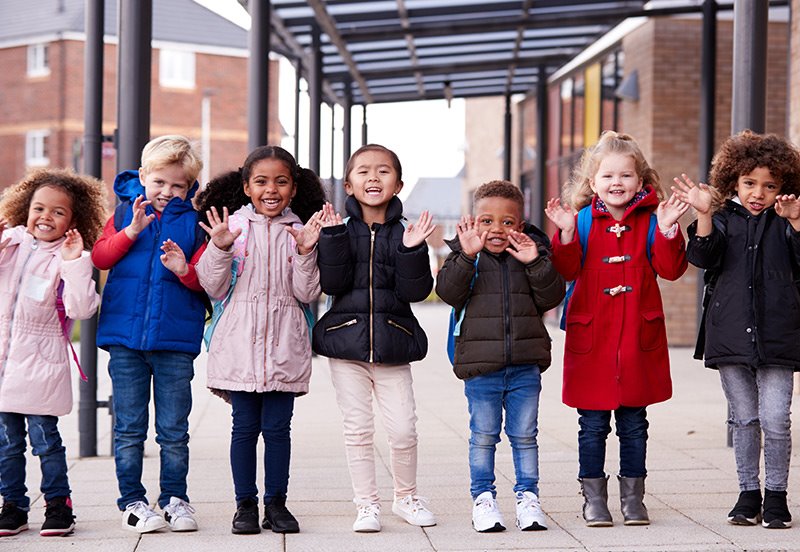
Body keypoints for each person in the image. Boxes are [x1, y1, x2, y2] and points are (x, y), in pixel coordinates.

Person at [544, 130, 688, 527]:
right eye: (607, 177)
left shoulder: (652, 219)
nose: (617, 184)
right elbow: (567, 270)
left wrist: (670, 229)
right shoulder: (584, 220)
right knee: (591, 424)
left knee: (634, 423)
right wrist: (567, 234)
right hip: (593, 339)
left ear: (640, 182)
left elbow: (671, 270)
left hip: (637, 338)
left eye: (626, 176)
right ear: (593, 183)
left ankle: (633, 499)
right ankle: (593, 499)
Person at [671, 130, 800, 529]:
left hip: (779, 335)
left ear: (784, 187)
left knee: (776, 418)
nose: (757, 193)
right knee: (744, 419)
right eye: (748, 183)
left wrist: (795, 221)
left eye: (769, 185)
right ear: (733, 181)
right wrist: (705, 215)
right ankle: (748, 493)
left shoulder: (786, 221)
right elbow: (702, 256)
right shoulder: (723, 219)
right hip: (729, 335)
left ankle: (776, 496)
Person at [195, 146, 325, 535]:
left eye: (281, 181)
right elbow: (213, 286)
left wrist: (305, 251)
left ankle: (277, 504)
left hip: (285, 344)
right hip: (239, 346)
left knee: (279, 430)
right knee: (244, 429)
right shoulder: (230, 226)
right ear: (247, 187)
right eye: (262, 181)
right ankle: (245, 505)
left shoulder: (300, 230)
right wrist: (218, 247)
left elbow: (308, 292)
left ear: (294, 187)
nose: (272, 189)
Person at [312, 143, 437, 533]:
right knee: (358, 430)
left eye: (383, 171)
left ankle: (406, 497)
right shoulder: (338, 231)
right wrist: (330, 240)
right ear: (348, 185)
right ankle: (367, 505)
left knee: (403, 429)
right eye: (363, 171)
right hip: (346, 345)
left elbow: (415, 292)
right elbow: (330, 285)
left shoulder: (407, 233)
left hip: (393, 344)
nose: (373, 177)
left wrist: (413, 250)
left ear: (397, 184)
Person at [435, 180, 565, 533]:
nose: (496, 229)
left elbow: (551, 297)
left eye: (507, 222)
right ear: (474, 223)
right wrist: (466, 255)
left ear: (519, 226)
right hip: (481, 368)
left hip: (525, 365)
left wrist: (534, 262)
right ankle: (483, 499)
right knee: (484, 435)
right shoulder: (464, 256)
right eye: (487, 221)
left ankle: (528, 497)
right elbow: (447, 292)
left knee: (525, 436)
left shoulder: (532, 255)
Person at [92, 135, 206, 533]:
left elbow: (206, 282)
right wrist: (130, 232)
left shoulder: (194, 223)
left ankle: (175, 498)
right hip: (125, 342)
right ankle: (133, 501)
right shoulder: (124, 213)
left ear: (189, 187)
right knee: (128, 428)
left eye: (177, 185)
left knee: (174, 429)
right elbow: (100, 256)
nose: (166, 192)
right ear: (143, 177)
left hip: (174, 343)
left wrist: (183, 269)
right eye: (159, 182)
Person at [0, 168, 107, 537]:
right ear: (24, 210)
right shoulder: (9, 244)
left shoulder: (69, 258)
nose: (46, 217)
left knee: (45, 439)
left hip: (40, 364)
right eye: (39, 208)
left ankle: (58, 504)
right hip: (3, 364)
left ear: (73, 221)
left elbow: (81, 309)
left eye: (58, 212)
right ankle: (12, 504)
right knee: (7, 443)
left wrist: (77, 262)